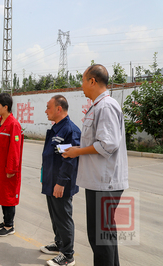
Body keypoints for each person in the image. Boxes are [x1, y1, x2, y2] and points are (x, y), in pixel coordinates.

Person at [63, 64, 129, 266]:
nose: (81, 85)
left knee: (101, 238)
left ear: (92, 81)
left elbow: (107, 144)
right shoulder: (98, 106)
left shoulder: (106, 106)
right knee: (104, 236)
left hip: (105, 183)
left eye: (83, 80)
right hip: (98, 181)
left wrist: (77, 151)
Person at [40, 95, 81, 266]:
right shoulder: (57, 128)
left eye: (48, 107)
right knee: (55, 216)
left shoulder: (70, 130)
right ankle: (59, 244)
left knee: (63, 217)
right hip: (51, 180)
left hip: (60, 183)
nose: (45, 111)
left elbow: (70, 159)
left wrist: (61, 182)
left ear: (59, 109)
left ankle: (67, 255)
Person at [0, 93, 24, 237]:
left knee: (8, 196)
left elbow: (15, 148)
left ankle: (9, 226)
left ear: (5, 107)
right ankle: (5, 221)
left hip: (8, 167)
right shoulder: (1, 121)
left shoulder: (13, 124)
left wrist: (11, 169)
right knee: (2, 194)